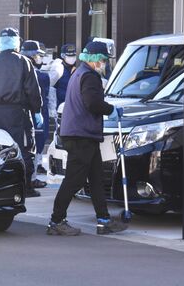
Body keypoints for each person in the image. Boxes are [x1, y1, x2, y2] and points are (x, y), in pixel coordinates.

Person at [46, 41, 128, 236]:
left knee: (96, 179)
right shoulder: (90, 76)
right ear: (95, 59)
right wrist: (112, 110)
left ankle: (104, 220)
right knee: (74, 180)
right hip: (81, 135)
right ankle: (56, 221)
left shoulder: (78, 73)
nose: (104, 64)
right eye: (103, 60)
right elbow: (93, 103)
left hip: (80, 134)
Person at [0, 27, 43, 198]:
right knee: (24, 148)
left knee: (1, 150)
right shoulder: (23, 61)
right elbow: (32, 90)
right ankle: (26, 186)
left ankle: (1, 186)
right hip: (18, 113)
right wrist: (37, 110)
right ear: (16, 42)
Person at [20, 40, 50, 188]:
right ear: (32, 56)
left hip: (21, 114)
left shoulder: (16, 71)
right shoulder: (41, 76)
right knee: (35, 146)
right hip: (36, 113)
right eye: (38, 55)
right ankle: (31, 178)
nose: (40, 58)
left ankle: (28, 177)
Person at [50, 43, 77, 110]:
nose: (72, 58)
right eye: (69, 56)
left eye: (74, 55)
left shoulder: (77, 69)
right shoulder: (58, 69)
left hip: (73, 105)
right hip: (60, 105)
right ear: (63, 56)